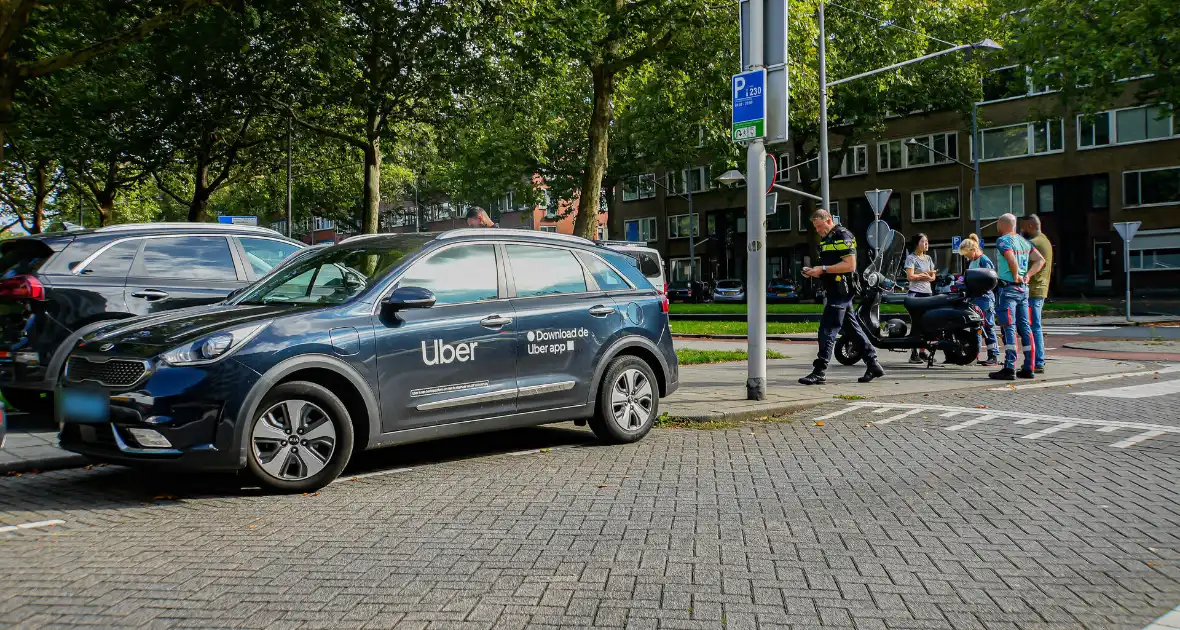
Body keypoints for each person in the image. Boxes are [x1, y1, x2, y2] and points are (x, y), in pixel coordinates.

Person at [798, 209, 885, 385]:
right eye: (816, 228)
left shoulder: (842, 235)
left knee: (827, 330)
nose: (818, 231)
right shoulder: (827, 238)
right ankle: (873, 363)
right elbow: (831, 263)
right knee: (852, 329)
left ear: (829, 220)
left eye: (820, 227)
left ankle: (820, 371)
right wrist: (815, 271)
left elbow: (850, 265)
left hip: (842, 290)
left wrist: (821, 270)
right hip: (835, 289)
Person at [991, 213, 1046, 381]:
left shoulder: (1003, 241)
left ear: (1001, 225)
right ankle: (1029, 366)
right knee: (1026, 328)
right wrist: (1027, 275)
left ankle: (1009, 367)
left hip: (1008, 289)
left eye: (998, 224)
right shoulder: (1025, 242)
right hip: (1024, 290)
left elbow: (1010, 258)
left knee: (1009, 327)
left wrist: (1015, 274)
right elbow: (1040, 260)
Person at [958, 234, 1000, 366]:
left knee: (987, 326)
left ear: (973, 250)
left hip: (984, 298)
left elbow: (989, 280)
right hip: (976, 298)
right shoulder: (973, 261)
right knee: (975, 326)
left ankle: (993, 355)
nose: (966, 257)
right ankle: (974, 353)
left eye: (966, 254)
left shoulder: (983, 261)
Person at [1022, 215, 1053, 374]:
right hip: (1040, 289)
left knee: (1034, 327)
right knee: (1035, 326)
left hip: (1034, 290)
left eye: (1023, 227)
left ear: (1030, 226)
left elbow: (1022, 263)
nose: (1022, 230)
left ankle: (1038, 361)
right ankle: (1037, 359)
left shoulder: (1033, 244)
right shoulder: (1045, 240)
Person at [904, 233, 937, 363]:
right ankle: (914, 353)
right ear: (917, 243)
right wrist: (925, 275)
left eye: (927, 241)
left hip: (927, 293)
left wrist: (928, 276)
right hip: (916, 294)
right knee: (917, 322)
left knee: (927, 322)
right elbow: (910, 276)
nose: (926, 244)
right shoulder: (911, 258)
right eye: (923, 242)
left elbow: (933, 276)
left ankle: (923, 351)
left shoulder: (928, 258)